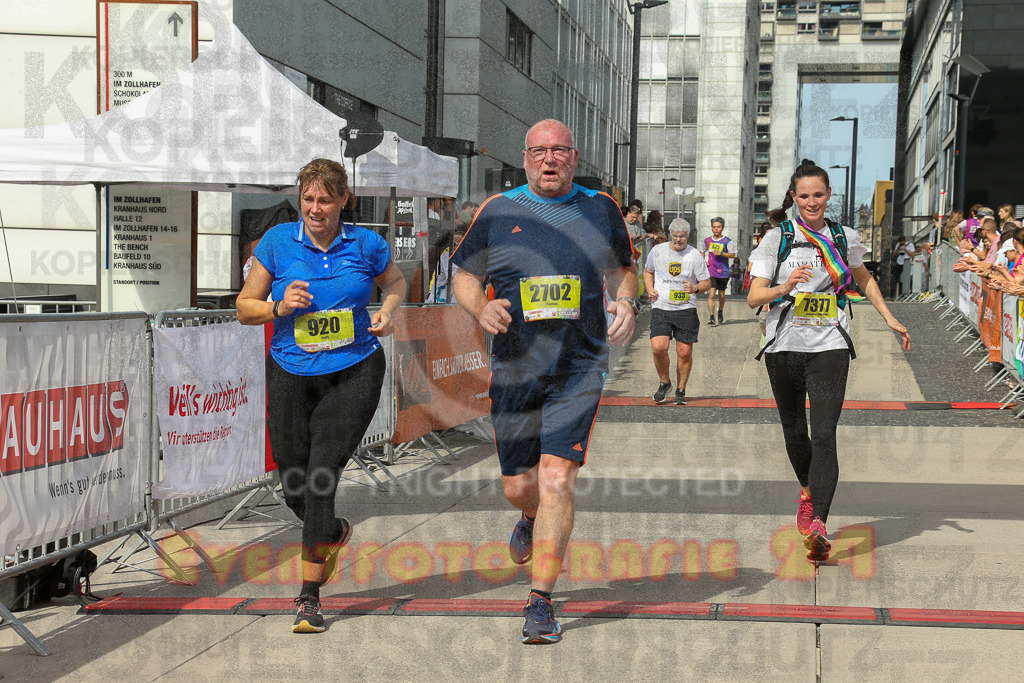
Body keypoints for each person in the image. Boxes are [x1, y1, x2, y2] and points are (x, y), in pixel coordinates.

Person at [451, 118, 638, 645]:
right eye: (540, 151)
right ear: (526, 157)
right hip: (514, 369)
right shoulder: (498, 210)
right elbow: (464, 274)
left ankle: (540, 601)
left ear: (574, 158)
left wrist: (625, 299)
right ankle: (528, 517)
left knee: (558, 478)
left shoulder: (599, 208)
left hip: (578, 367)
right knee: (520, 486)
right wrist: (480, 308)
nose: (550, 159)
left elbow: (625, 268)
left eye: (560, 151)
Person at [236, 158, 406, 633]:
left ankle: (308, 597)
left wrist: (388, 310)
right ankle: (330, 532)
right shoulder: (276, 243)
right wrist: (277, 305)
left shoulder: (366, 243)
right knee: (293, 481)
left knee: (320, 476)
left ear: (343, 201)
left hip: (354, 370)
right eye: (308, 199)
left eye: (325, 200)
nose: (315, 208)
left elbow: (394, 281)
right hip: (291, 371)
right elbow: (244, 309)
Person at [747, 159, 910, 563]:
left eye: (818, 194)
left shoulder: (844, 236)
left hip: (829, 346)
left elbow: (864, 278)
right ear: (794, 197)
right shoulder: (776, 238)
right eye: (804, 196)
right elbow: (754, 296)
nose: (811, 202)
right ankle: (807, 490)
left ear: (828, 195)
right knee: (794, 431)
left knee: (824, 433)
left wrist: (890, 317)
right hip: (783, 345)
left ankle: (819, 521)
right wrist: (786, 286)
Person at [643, 218, 711, 405]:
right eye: (675, 236)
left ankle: (681, 389)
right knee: (658, 348)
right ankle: (665, 382)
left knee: (684, 352)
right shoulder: (658, 251)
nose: (678, 240)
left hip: (685, 308)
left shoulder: (695, 255)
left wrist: (696, 288)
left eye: (682, 237)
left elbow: (706, 283)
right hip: (661, 306)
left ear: (688, 236)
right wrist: (650, 289)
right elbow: (647, 271)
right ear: (670, 235)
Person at [702, 217, 737, 325]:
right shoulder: (707, 240)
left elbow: (733, 255)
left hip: (724, 271)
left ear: (722, 228)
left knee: (721, 294)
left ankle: (720, 310)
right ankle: (711, 316)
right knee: (711, 294)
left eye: (718, 227)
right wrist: (704, 260)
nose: (716, 229)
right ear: (712, 228)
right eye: (714, 227)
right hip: (711, 271)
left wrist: (721, 253)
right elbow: (702, 251)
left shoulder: (727, 241)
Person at [426, 227, 466, 303]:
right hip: (440, 299)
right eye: (454, 244)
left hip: (456, 299)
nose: (456, 246)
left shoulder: (468, 255)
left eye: (459, 244)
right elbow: (454, 278)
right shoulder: (447, 256)